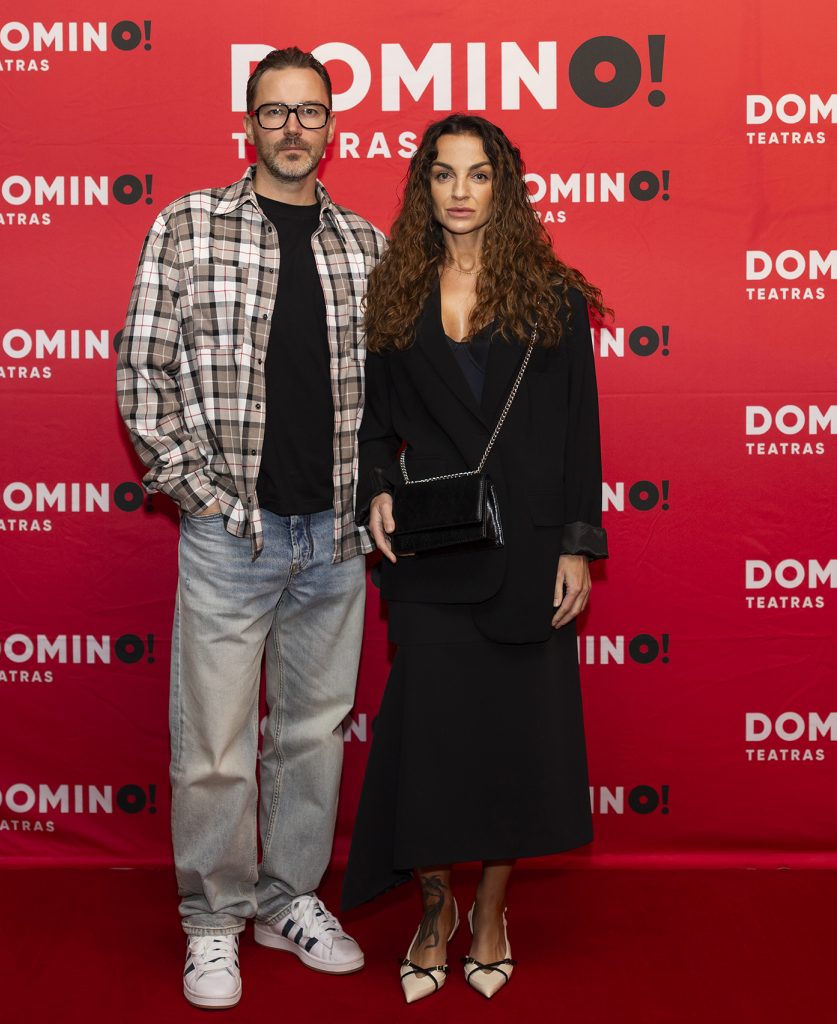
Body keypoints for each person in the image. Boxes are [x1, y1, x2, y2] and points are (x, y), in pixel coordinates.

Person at [117, 46, 385, 1009]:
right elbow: (142, 371)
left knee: (312, 735)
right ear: (247, 123)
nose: (292, 129)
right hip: (232, 532)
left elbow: (391, 391)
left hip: (335, 537)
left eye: (309, 111)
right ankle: (213, 920)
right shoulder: (188, 225)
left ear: (331, 126)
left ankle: (286, 900)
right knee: (215, 746)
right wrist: (198, 494)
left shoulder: (366, 245)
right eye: (274, 112)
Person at [341, 114, 609, 1003]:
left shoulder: (552, 297)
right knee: (431, 744)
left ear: (504, 187)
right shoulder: (394, 294)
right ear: (423, 187)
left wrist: (577, 543)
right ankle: (434, 910)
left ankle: (490, 911)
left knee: (513, 745)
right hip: (432, 550)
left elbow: (578, 431)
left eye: (478, 173)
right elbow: (375, 428)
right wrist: (378, 487)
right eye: (443, 173)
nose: (460, 190)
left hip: (527, 549)